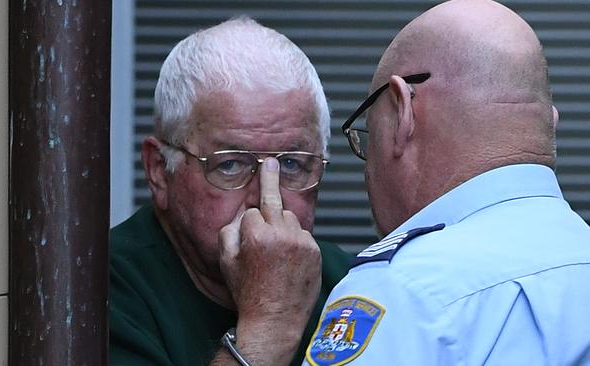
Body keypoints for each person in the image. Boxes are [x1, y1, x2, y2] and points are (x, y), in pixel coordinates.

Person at [218, 0, 590, 365]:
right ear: (548, 124)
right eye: (231, 163)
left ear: (403, 111)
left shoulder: (403, 292)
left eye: (368, 133)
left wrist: (266, 328)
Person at [109, 17, 352, 365]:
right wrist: (271, 323)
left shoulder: (351, 287)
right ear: (159, 171)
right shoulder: (96, 292)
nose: (265, 198)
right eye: (230, 164)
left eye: (292, 165)